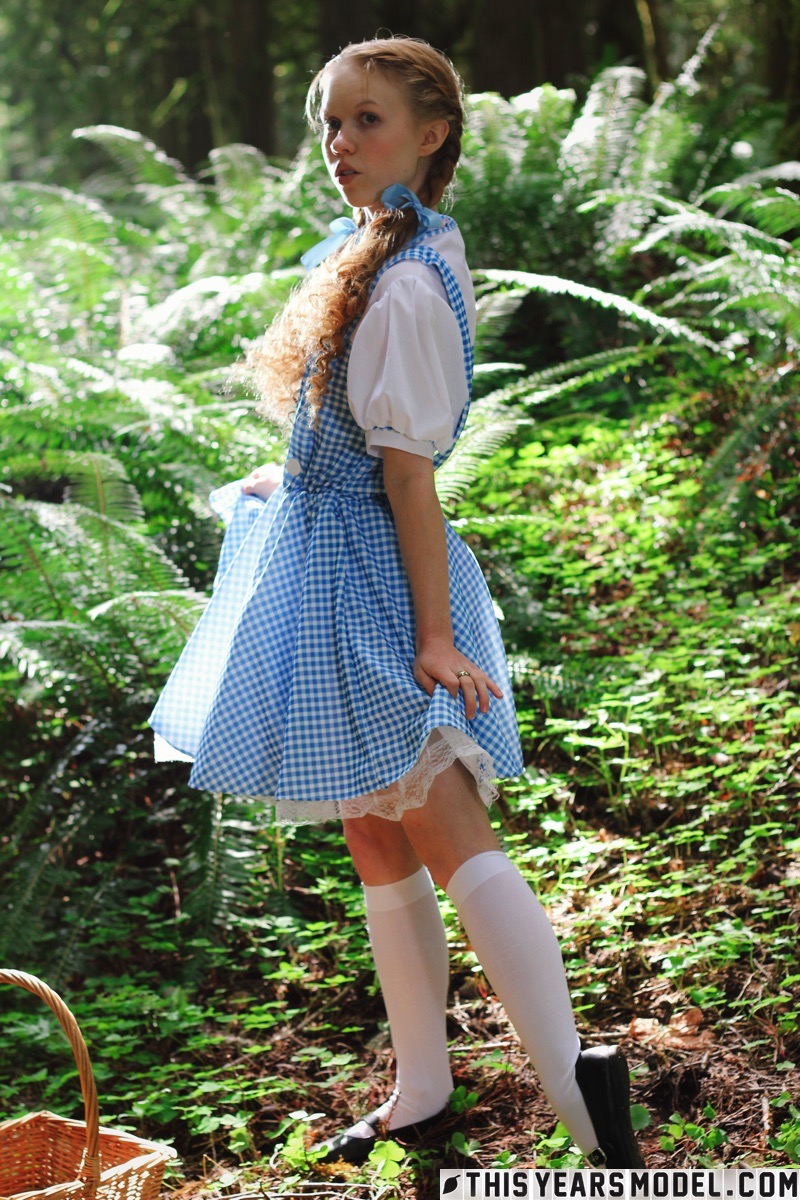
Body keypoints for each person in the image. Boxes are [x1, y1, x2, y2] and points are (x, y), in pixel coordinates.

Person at [149, 35, 644, 1169]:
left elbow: (411, 475)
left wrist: (431, 635)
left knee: (442, 821)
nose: (340, 141)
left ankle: (584, 1100)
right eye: (330, 121)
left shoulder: (411, 279)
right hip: (327, 561)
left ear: (431, 134)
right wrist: (290, 478)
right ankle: (423, 1084)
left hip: (371, 586)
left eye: (366, 119)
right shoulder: (377, 251)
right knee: (374, 831)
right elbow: (364, 447)